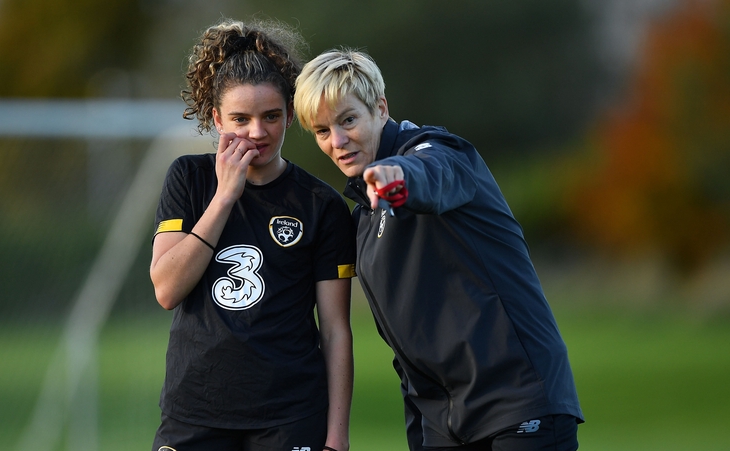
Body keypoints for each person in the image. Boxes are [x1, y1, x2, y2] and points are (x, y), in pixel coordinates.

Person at [294, 49, 584, 451]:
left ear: (380, 108)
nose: (338, 141)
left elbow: (432, 173)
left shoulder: (437, 151)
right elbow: (406, 346)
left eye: (348, 120)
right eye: (323, 131)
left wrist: (397, 178)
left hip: (517, 404)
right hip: (444, 426)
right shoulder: (362, 217)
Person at [149, 20, 356, 451]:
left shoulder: (322, 205)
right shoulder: (188, 179)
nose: (257, 133)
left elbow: (335, 330)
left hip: (290, 416)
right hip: (195, 411)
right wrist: (225, 197)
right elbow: (167, 288)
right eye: (240, 119)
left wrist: (337, 438)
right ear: (216, 118)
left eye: (271, 117)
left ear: (291, 115)